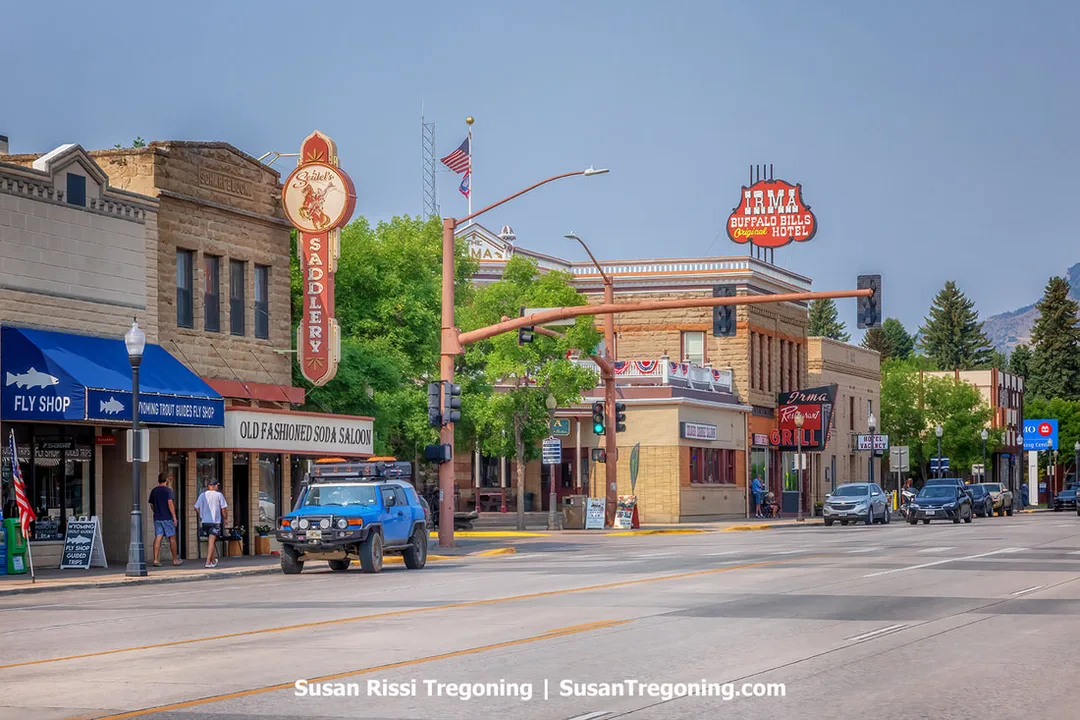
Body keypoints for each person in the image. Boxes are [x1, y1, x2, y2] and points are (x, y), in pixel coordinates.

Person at [148, 472, 182, 567]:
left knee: (158, 537)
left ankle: (156, 559)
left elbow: (152, 504)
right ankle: (175, 560)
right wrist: (174, 516)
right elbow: (170, 503)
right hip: (167, 517)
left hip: (157, 517)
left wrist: (156, 511)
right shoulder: (168, 491)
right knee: (172, 538)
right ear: (166, 480)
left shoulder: (154, 491)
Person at [194, 479, 228, 569]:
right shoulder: (219, 495)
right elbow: (223, 509)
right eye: (217, 485)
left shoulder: (202, 495)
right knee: (211, 542)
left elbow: (196, 507)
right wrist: (226, 518)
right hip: (215, 522)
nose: (217, 487)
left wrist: (202, 514)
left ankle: (213, 560)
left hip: (205, 521)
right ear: (214, 486)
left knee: (210, 542)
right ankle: (208, 562)